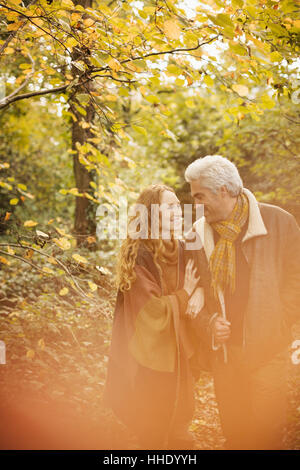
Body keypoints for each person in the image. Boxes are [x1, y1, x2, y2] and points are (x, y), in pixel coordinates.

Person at [184, 155, 300, 450]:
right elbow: (190, 291)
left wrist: (281, 320)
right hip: (226, 356)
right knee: (236, 435)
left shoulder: (279, 222)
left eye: (200, 196)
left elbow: (296, 278)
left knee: (267, 435)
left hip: (268, 351)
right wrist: (208, 324)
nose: (196, 205)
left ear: (222, 191)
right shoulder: (197, 233)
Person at [102, 183, 206, 450]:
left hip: (180, 356)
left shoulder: (184, 248)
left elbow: (206, 282)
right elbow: (150, 313)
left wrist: (199, 294)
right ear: (151, 214)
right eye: (168, 206)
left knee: (180, 429)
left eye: (177, 206)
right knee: (155, 432)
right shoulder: (140, 255)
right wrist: (185, 295)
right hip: (149, 361)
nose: (178, 211)